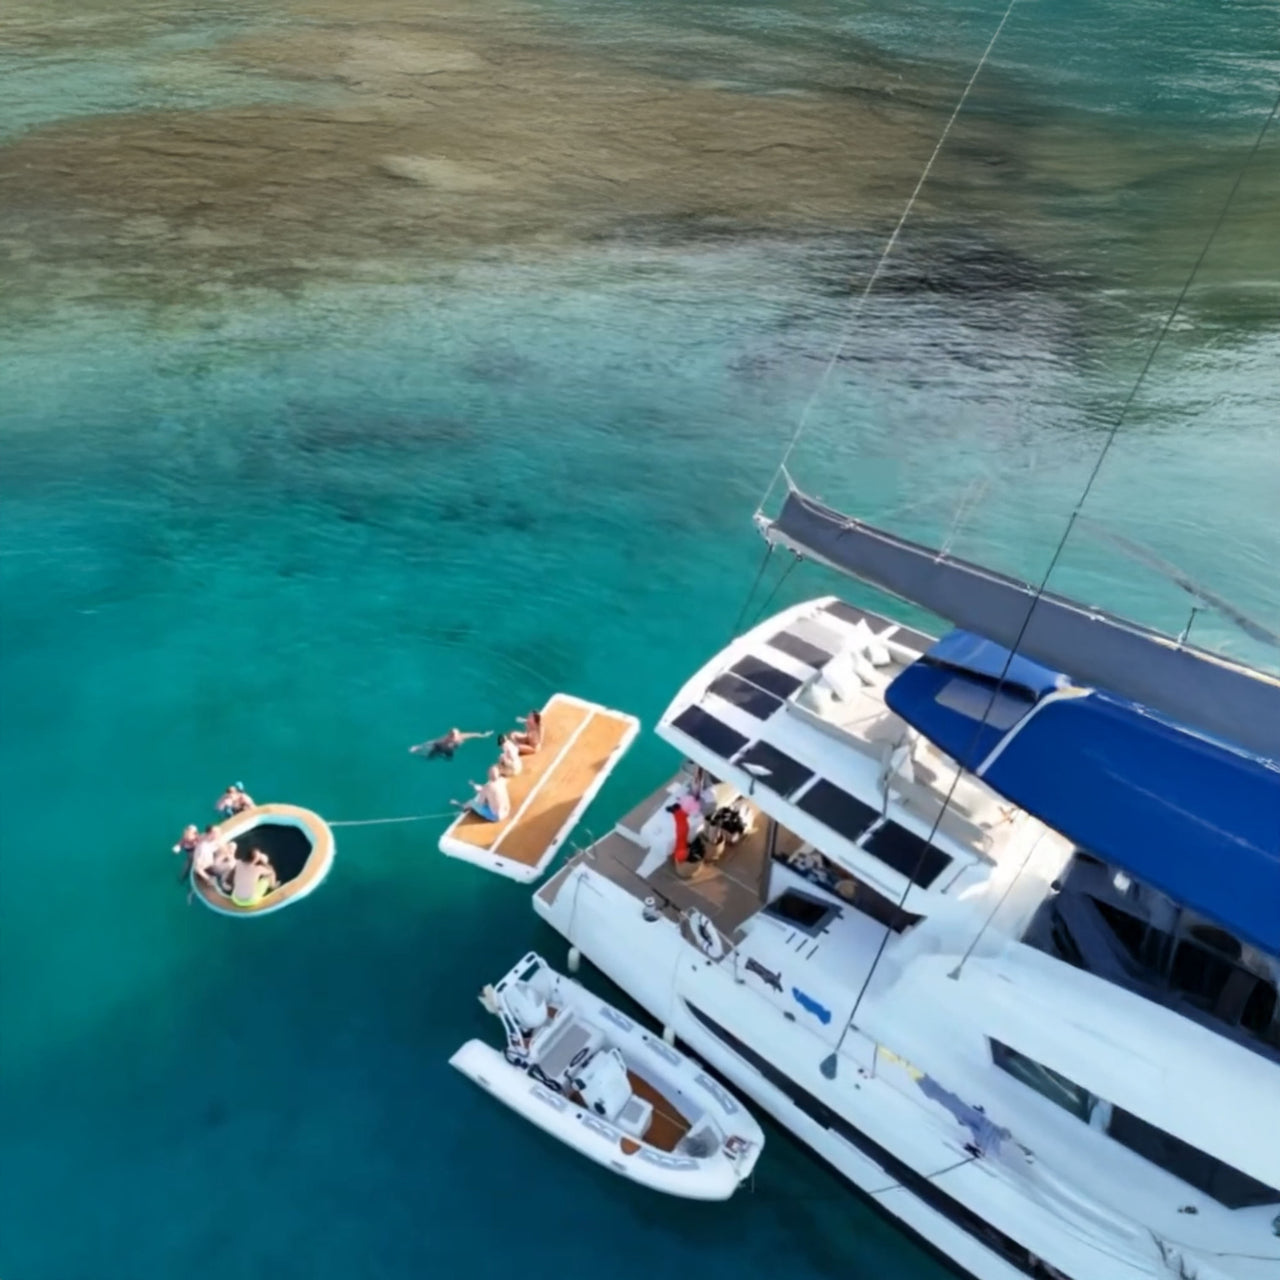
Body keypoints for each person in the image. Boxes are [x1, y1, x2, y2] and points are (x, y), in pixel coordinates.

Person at [189, 825, 237, 901]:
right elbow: (198, 868)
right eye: (217, 833)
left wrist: (229, 855)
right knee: (231, 864)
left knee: (233, 845)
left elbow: (222, 846)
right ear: (211, 834)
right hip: (211, 866)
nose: (220, 833)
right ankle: (223, 881)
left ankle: (228, 867)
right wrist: (208, 878)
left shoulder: (209, 838)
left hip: (214, 857)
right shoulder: (203, 849)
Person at [409, 727, 492, 761]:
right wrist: (418, 746)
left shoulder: (462, 736)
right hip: (442, 747)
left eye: (455, 736)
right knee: (430, 756)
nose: (453, 738)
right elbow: (433, 742)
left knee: (449, 758)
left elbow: (475, 734)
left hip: (450, 749)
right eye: (452, 736)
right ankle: (417, 753)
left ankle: (441, 756)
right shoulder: (446, 739)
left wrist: (484, 735)